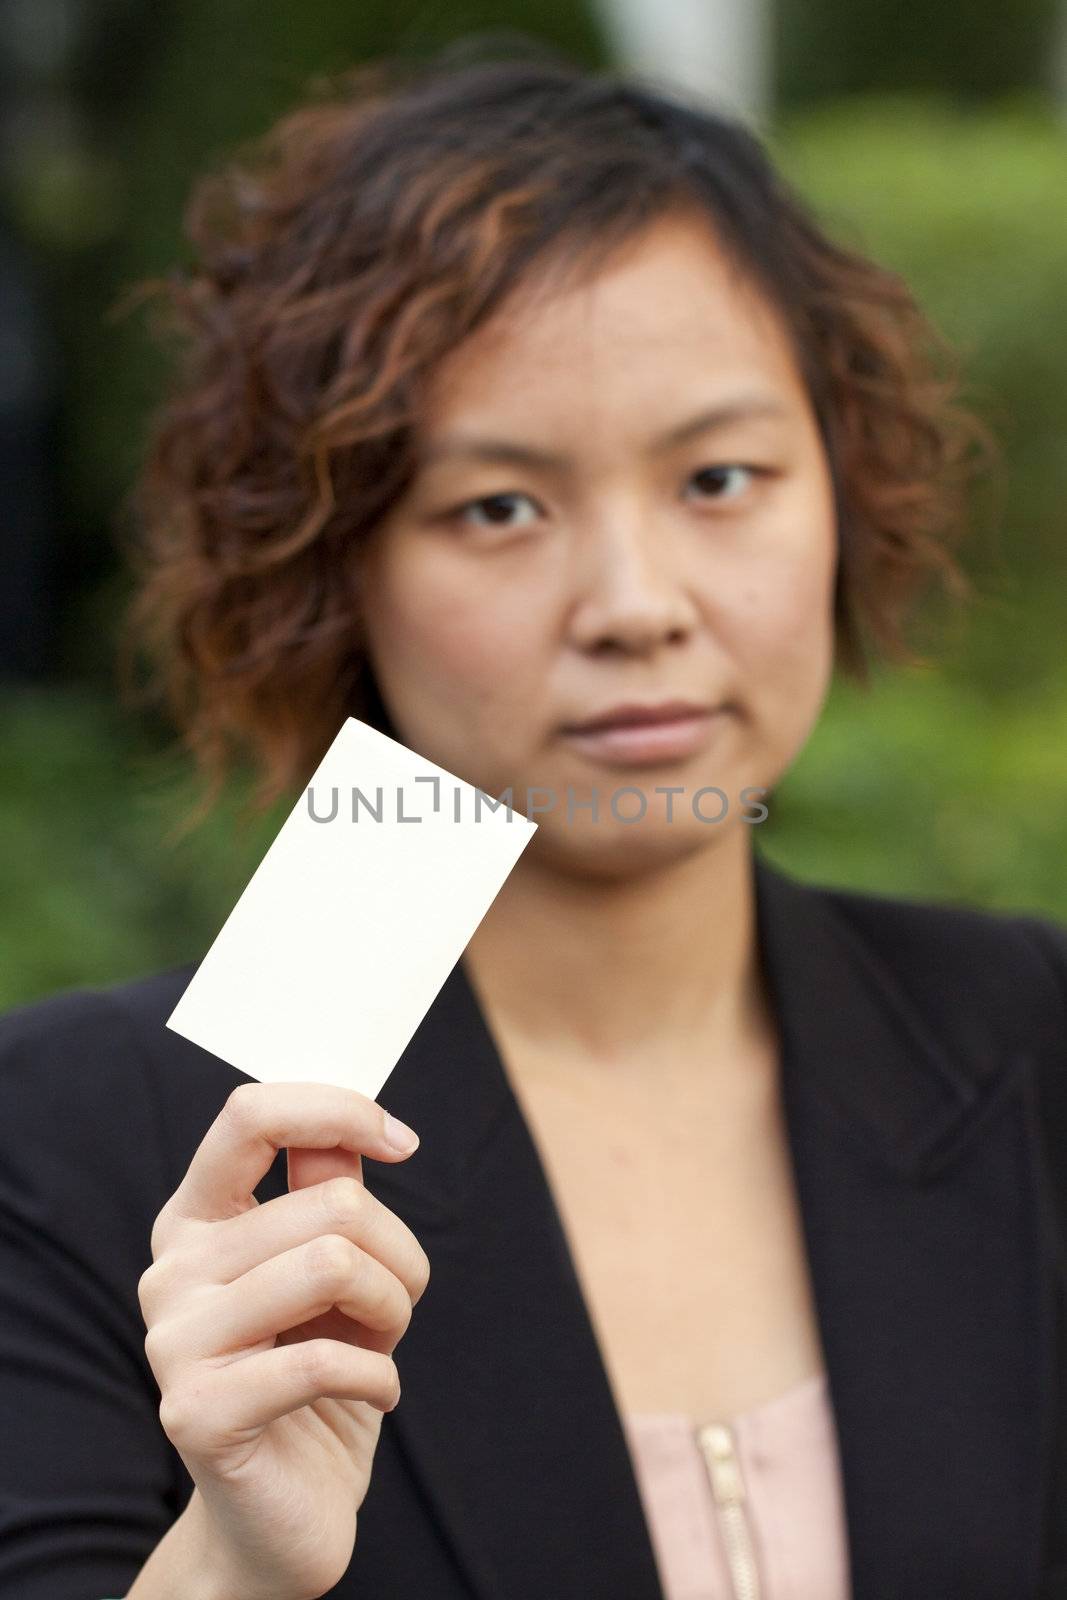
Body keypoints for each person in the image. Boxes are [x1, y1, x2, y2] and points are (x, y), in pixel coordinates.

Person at [1, 37, 1065, 1600]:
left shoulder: (1034, 1034)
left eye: (719, 477)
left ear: (842, 492)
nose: (637, 605)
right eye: (498, 507)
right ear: (332, 561)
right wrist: (229, 1558)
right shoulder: (75, 1142)